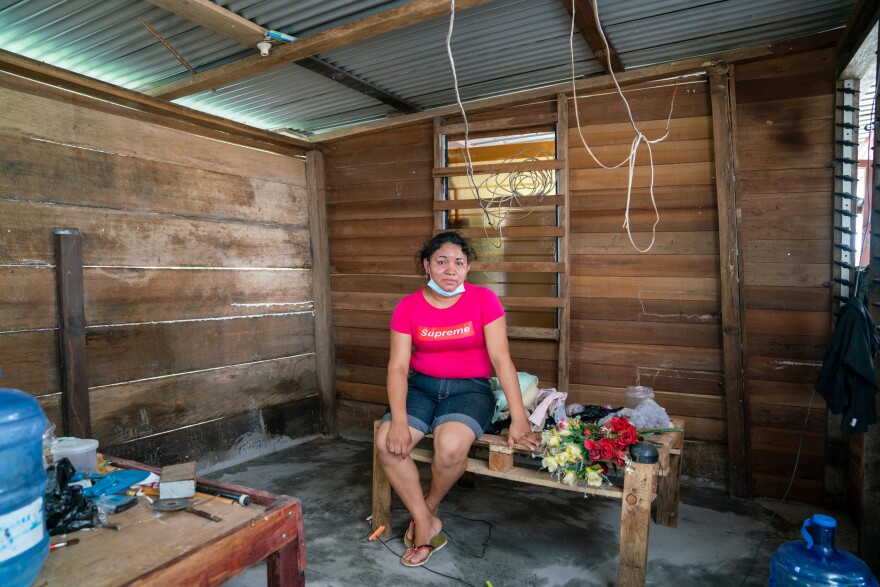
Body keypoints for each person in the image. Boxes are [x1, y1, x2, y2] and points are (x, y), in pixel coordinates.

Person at [375, 231, 539, 567]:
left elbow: (502, 359)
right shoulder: (408, 306)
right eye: (441, 261)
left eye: (459, 263)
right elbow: (398, 366)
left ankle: (429, 507)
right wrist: (399, 422)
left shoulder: (484, 300)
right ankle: (425, 521)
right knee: (386, 444)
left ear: (468, 269)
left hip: (470, 391)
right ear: (427, 265)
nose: (450, 269)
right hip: (420, 388)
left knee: (449, 448)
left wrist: (520, 418)